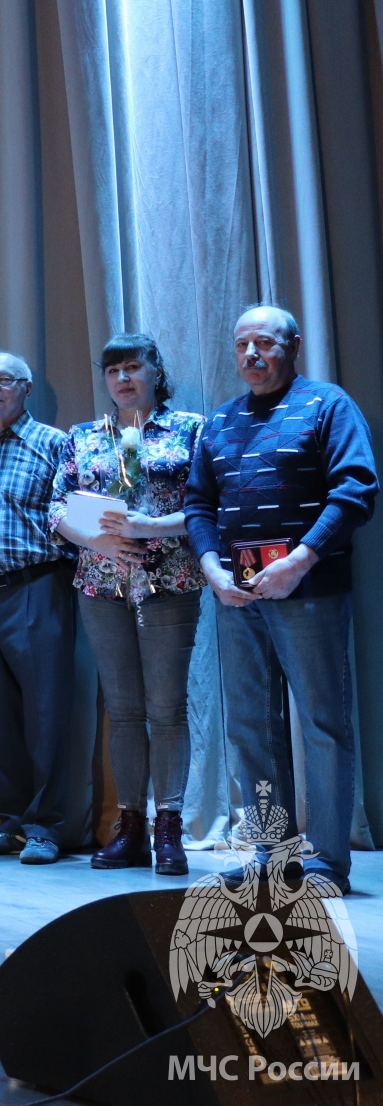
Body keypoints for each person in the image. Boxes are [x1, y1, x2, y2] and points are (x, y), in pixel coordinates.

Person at [185, 305, 377, 892]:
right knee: (249, 727)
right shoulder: (218, 421)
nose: (251, 355)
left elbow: (357, 487)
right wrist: (213, 569)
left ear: (292, 347)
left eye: (264, 343)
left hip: (308, 589)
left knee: (322, 723)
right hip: (237, 595)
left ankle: (326, 861)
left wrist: (301, 558)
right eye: (242, 344)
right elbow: (199, 505)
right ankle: (271, 851)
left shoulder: (327, 404)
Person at [49, 333, 204, 875]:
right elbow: (56, 508)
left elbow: (207, 508)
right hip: (101, 583)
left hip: (170, 580)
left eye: (133, 367)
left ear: (155, 372)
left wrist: (151, 526)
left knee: (165, 710)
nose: (122, 379)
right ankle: (131, 825)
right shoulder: (85, 436)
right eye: (112, 370)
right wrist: (97, 541)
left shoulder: (189, 429)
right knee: (124, 711)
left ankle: (169, 827)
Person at [0, 353, 73, 866]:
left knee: (45, 711)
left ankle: (45, 826)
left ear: (26, 388)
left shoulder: (54, 443)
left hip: (37, 587)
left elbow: (76, 517)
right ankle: (9, 822)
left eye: (5, 380)